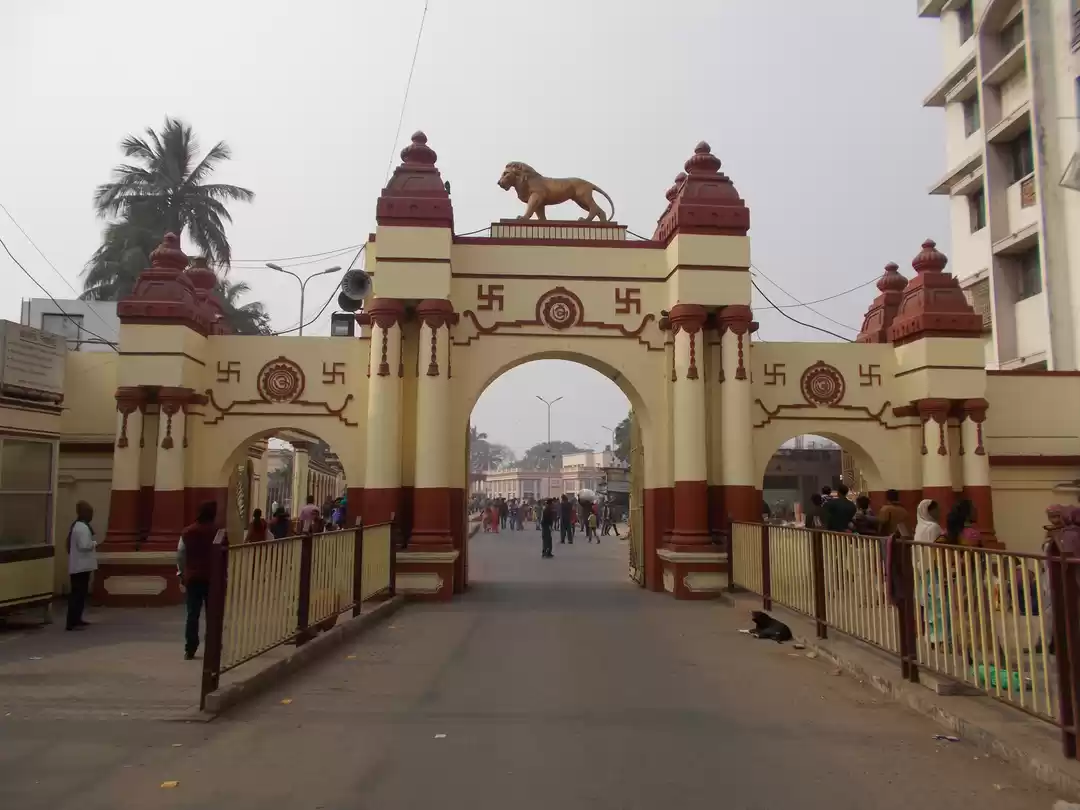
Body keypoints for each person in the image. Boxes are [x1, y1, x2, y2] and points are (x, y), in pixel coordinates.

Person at [177, 501, 222, 660]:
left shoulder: (187, 532)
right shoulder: (219, 532)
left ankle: (190, 648)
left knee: (192, 614)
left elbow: (181, 554)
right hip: (213, 579)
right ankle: (213, 647)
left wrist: (182, 573)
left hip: (193, 578)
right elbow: (225, 555)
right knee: (213, 614)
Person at [914, 500, 949, 647]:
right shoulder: (934, 527)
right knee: (939, 605)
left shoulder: (919, 527)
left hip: (922, 568)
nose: (938, 513)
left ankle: (932, 637)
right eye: (935, 510)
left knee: (929, 606)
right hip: (933, 569)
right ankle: (940, 638)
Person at [66, 501, 97, 631]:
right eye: (90, 513)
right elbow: (84, 545)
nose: (91, 516)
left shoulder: (78, 526)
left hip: (79, 566)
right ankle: (72, 622)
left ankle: (76, 619)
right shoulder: (82, 527)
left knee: (79, 594)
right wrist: (94, 543)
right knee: (78, 594)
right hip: (80, 567)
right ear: (84, 513)